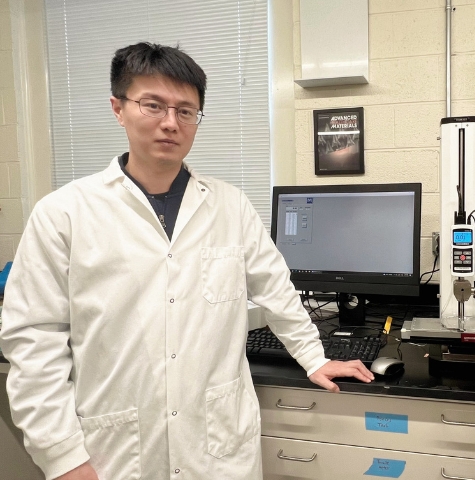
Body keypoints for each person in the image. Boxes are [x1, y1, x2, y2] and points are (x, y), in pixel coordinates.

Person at [0, 42, 374, 480]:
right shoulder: (63, 213)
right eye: (153, 105)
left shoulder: (230, 206)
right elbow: (35, 343)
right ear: (118, 108)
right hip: (115, 454)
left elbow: (276, 290)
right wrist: (63, 458)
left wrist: (313, 357)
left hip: (217, 448)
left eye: (186, 111)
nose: (170, 123)